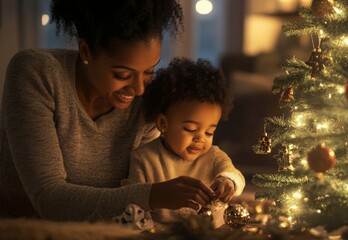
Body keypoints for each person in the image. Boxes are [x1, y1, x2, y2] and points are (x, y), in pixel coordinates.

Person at [0, 0, 217, 221]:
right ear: (86, 51)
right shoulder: (38, 73)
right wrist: (153, 195)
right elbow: (48, 199)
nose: (139, 89)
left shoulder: (148, 102)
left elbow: (143, 199)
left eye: (149, 71)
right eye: (122, 75)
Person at [118, 57, 245, 229]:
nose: (200, 138)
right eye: (191, 129)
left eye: (209, 132)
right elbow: (132, 201)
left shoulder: (214, 156)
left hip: (208, 233)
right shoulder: (144, 158)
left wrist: (228, 182)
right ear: (163, 124)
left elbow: (235, 175)